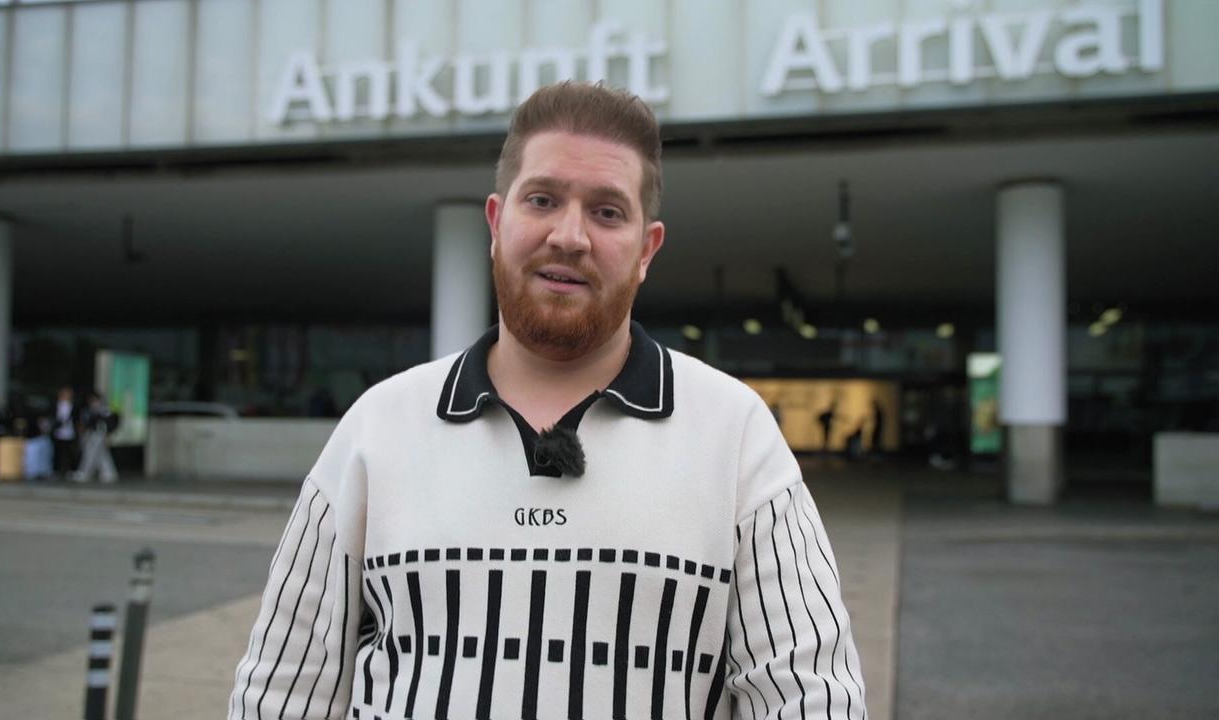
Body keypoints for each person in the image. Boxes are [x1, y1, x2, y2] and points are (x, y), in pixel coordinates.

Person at [231, 82, 866, 720]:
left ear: (647, 250)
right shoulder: (378, 427)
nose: (570, 236)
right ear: (496, 221)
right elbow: (283, 694)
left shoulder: (734, 434)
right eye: (542, 199)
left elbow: (811, 697)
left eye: (608, 212)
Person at [72, 391, 119, 483]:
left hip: (99, 434)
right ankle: (109, 473)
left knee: (90, 453)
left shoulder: (104, 410)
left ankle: (85, 472)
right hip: (90, 434)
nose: (92, 402)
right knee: (102, 454)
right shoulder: (89, 410)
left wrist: (108, 434)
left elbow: (109, 423)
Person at [51, 387, 81, 480]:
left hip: (70, 432)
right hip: (58, 432)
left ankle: (71, 471)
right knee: (57, 452)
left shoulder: (74, 406)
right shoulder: (55, 405)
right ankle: (56, 470)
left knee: (70, 452)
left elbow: (77, 419)